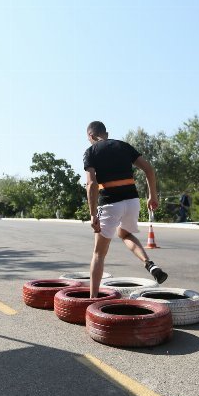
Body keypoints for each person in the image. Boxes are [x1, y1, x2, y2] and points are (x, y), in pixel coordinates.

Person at [83, 121, 168, 298]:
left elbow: (91, 184)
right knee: (125, 234)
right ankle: (149, 264)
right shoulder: (123, 146)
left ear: (90, 136)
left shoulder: (91, 151)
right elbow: (149, 169)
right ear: (106, 133)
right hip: (132, 201)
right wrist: (152, 196)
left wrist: (92, 214)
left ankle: (92, 301)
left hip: (109, 203)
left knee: (98, 253)